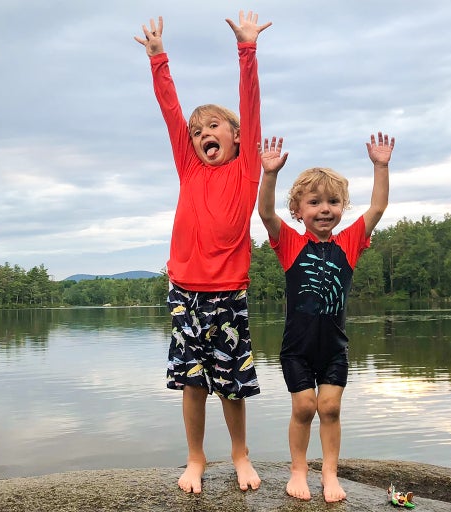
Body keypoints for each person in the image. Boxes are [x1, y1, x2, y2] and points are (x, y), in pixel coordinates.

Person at [134, 11, 271, 494]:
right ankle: (196, 458)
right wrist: (158, 58)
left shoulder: (246, 171)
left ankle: (241, 455)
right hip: (186, 293)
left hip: (228, 293)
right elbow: (171, 110)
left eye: (213, 126)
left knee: (232, 384)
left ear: (235, 136)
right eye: (197, 132)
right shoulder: (189, 170)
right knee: (193, 383)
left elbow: (249, 106)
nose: (202, 134)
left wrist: (247, 50)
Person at [257, 133, 395, 502]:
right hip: (296, 348)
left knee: (330, 408)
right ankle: (299, 469)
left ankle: (330, 473)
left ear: (342, 208)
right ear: (299, 210)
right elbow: (266, 213)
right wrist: (268, 174)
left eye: (333, 202)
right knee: (304, 407)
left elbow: (378, 209)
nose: (324, 209)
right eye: (314, 202)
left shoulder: (348, 244)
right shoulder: (289, 244)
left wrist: (380, 167)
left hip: (334, 347)